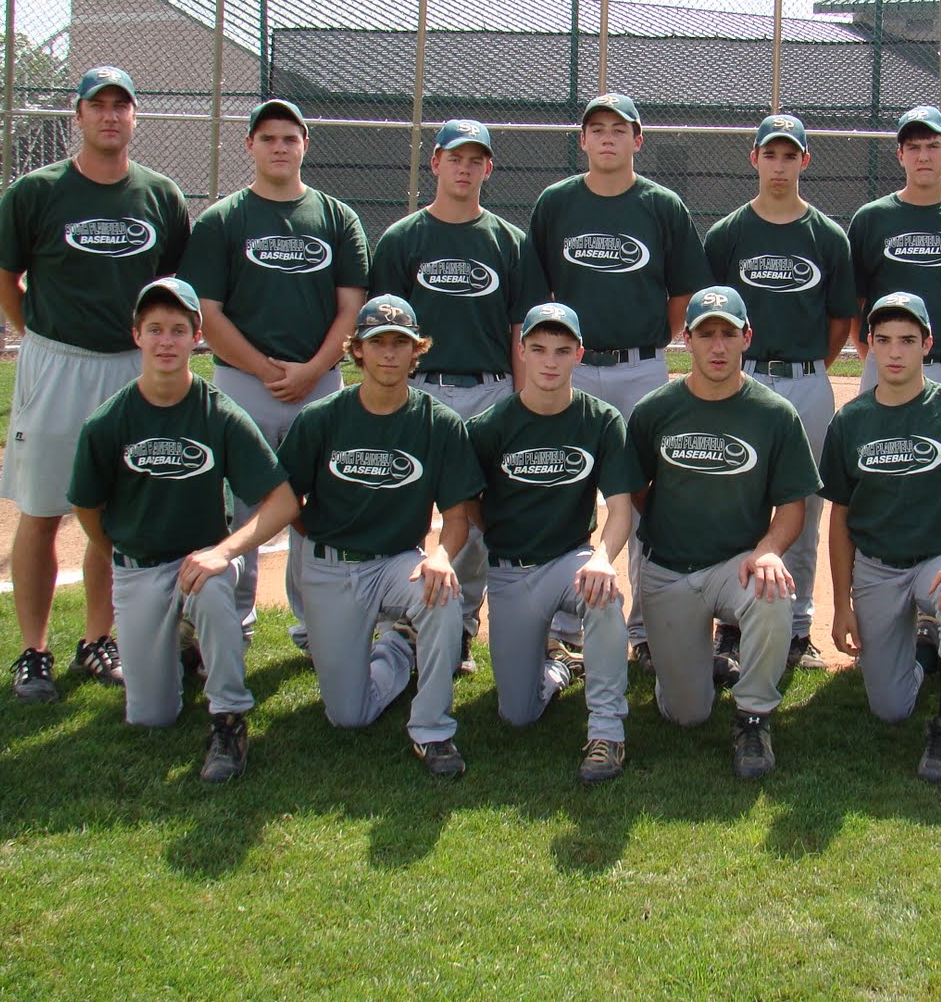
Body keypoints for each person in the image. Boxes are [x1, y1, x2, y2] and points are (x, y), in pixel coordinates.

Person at [0, 65, 190, 702]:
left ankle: (98, 639)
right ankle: (33, 650)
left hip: (130, 366)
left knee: (113, 511)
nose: (109, 115)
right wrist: (40, 337)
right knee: (42, 510)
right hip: (56, 362)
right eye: (97, 105)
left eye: (120, 105)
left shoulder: (160, 195)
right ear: (78, 116)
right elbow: (3, 278)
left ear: (135, 116)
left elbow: (173, 287)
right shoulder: (37, 191)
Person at [68, 278, 296, 783]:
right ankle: (185, 644)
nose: (166, 341)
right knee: (152, 716)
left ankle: (229, 719)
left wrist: (225, 551)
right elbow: (86, 506)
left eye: (178, 329)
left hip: (199, 562)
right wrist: (121, 552)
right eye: (155, 329)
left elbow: (282, 501)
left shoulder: (219, 414)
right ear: (136, 336)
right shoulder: (108, 422)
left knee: (212, 587)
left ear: (197, 337)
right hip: (139, 568)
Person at [526, 93, 712, 670]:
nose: (608, 137)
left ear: (637, 139)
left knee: (645, 493)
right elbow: (537, 293)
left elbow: (685, 292)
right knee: (564, 486)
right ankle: (565, 626)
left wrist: (652, 343)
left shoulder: (661, 205)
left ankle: (645, 630)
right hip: (572, 367)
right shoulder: (557, 203)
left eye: (619, 128)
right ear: (582, 139)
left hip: (640, 368)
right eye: (597, 128)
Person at [178, 98, 368, 655]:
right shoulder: (222, 220)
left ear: (305, 144)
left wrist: (312, 370)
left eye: (289, 138)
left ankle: (316, 628)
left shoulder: (336, 217)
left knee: (320, 509)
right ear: (250, 146)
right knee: (243, 509)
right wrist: (265, 369)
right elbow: (207, 313)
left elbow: (352, 307)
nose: (279, 147)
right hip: (243, 383)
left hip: (320, 385)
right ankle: (231, 625)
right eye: (268, 138)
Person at [274, 295, 486, 776]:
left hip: (396, 563)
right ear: (357, 350)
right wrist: (322, 541)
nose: (389, 353)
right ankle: (397, 647)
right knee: (348, 716)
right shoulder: (322, 417)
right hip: (330, 566)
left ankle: (432, 729)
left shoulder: (439, 423)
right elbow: (288, 502)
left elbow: (457, 518)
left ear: (416, 351)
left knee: (442, 594)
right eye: (377, 342)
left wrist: (439, 557)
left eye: (400, 343)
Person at [822, 292, 941, 781]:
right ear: (868, 345)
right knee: (890, 708)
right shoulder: (851, 419)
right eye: (884, 340)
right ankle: (927, 647)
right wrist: (842, 603)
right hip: (877, 566)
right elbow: (840, 517)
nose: (895, 352)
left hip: (939, 559)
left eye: (907, 340)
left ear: (927, 345)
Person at [371, 118, 541, 674]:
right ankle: (398, 619)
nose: (464, 168)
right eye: (454, 157)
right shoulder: (403, 239)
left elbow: (520, 332)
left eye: (475, 160)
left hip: (488, 389)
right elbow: (383, 335)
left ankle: (461, 624)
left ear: (488, 169)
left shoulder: (509, 241)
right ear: (435, 163)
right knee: (402, 503)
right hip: (419, 388)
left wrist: (521, 403)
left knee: (471, 514)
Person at [627, 286, 819, 778]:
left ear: (746, 338)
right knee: (686, 714)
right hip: (669, 570)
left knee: (773, 591)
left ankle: (753, 717)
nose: (718, 346)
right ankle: (698, 666)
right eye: (706, 334)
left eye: (728, 334)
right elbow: (638, 491)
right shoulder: (654, 410)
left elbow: (792, 506)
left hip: (737, 567)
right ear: (686, 340)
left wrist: (769, 549)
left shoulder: (774, 414)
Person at [702, 114, 858, 676]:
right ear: (754, 159)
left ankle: (796, 626)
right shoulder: (727, 235)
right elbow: (708, 320)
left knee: (805, 503)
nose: (779, 165)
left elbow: (839, 321)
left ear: (804, 162)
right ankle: (732, 624)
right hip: (741, 380)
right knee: (734, 498)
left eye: (790, 155)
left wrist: (807, 368)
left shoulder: (827, 236)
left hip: (806, 379)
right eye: (770, 154)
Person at [465, 303, 639, 783]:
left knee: (604, 594)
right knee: (517, 715)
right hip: (509, 572)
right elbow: (467, 505)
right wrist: (500, 534)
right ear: (521, 350)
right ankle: (559, 667)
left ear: (578, 355)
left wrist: (602, 558)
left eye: (562, 351)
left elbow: (620, 509)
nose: (549, 361)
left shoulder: (601, 420)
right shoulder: (490, 426)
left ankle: (607, 732)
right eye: (539, 348)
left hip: (569, 561)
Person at [847, 105, 941, 395]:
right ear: (900, 155)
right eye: (913, 147)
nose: (923, 156)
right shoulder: (871, 219)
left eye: (933, 146)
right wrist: (875, 354)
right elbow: (857, 303)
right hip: (886, 362)